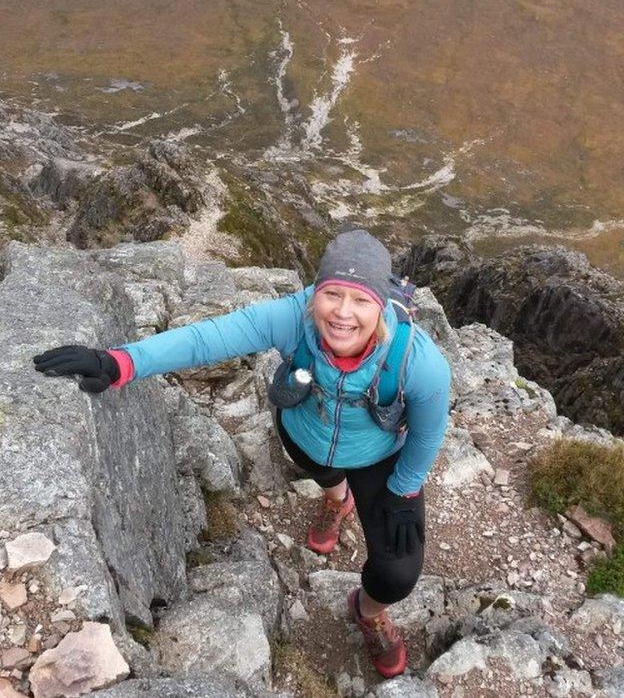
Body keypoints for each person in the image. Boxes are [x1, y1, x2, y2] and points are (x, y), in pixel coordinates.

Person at [33, 229, 450, 678]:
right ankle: (337, 500)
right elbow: (208, 339)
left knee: (397, 573)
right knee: (320, 466)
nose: (343, 313)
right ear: (316, 294)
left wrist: (404, 492)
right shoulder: (295, 317)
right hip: (307, 435)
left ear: (381, 305)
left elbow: (427, 434)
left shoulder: (417, 361)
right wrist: (121, 363)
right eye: (332, 294)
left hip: (378, 458)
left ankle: (367, 611)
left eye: (361, 300)